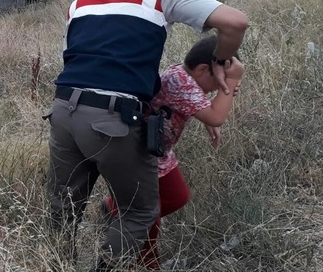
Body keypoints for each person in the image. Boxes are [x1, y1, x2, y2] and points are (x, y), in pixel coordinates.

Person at [45, 0, 248, 268]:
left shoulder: (80, 2)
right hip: (113, 119)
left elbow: (72, 57)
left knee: (63, 209)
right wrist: (219, 60)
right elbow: (235, 22)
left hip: (63, 111)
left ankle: (56, 264)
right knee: (139, 209)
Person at [103, 36, 245, 269]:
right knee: (149, 215)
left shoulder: (183, 74)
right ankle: (142, 264)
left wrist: (208, 117)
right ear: (202, 70)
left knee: (178, 197)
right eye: (219, 80)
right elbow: (216, 114)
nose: (221, 87)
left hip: (158, 152)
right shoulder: (182, 82)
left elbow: (200, 106)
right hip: (140, 154)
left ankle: (114, 209)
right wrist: (232, 80)